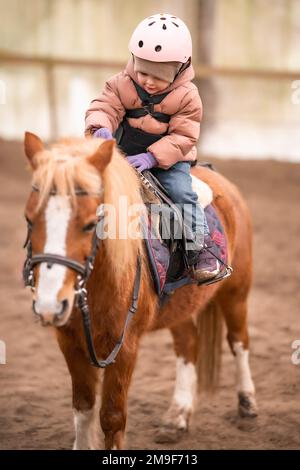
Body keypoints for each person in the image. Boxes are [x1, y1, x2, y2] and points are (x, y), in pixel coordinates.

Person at [85, 13, 220, 281]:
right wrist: (100, 128)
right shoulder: (120, 82)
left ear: (179, 70)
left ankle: (201, 249)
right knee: (83, 188)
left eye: (158, 77)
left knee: (181, 193)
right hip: (122, 152)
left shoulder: (188, 96)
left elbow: (184, 136)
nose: (147, 81)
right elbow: (104, 107)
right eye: (143, 71)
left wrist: (152, 157)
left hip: (169, 158)